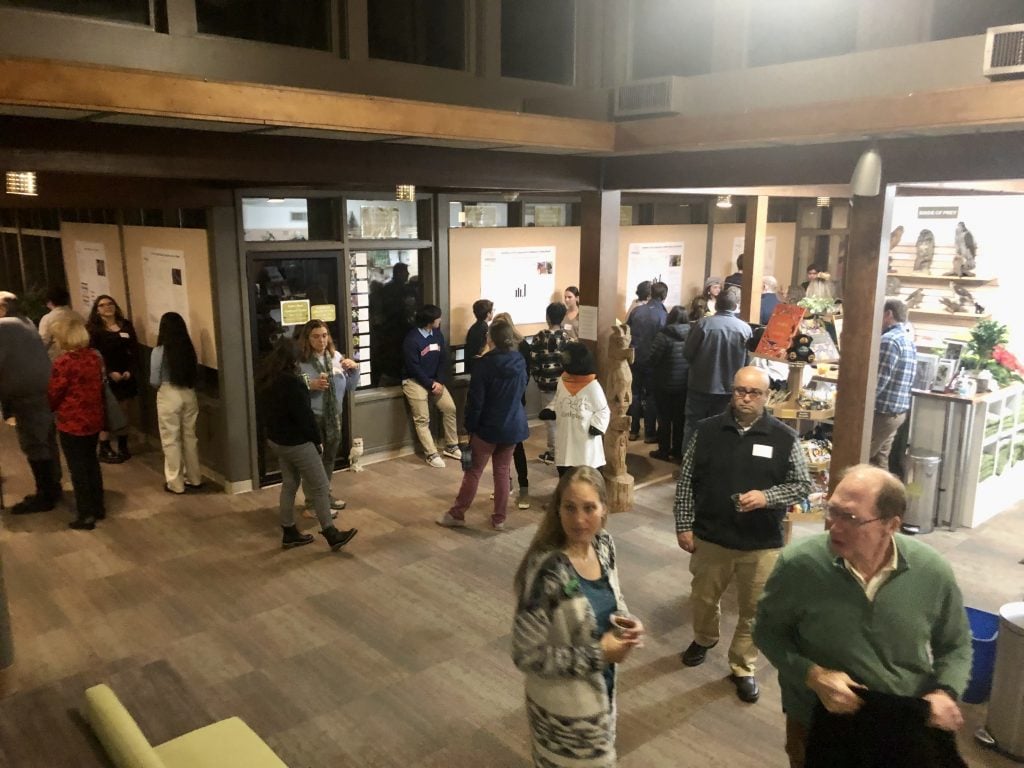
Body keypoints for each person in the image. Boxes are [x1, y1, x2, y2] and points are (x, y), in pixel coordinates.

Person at [754, 464, 972, 768]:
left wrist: (945, 692)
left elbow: (956, 644)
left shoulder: (931, 571)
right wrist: (814, 676)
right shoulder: (799, 564)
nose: (835, 526)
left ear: (891, 525)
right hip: (816, 719)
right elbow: (767, 632)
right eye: (833, 511)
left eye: (851, 518)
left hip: (903, 722)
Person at [673, 366, 811, 704]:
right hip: (711, 535)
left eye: (754, 392)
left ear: (767, 396)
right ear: (732, 392)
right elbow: (686, 480)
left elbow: (802, 485)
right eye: (740, 391)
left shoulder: (784, 438)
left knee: (754, 609)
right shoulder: (706, 431)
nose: (746, 398)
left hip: (761, 543)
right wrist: (684, 524)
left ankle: (743, 666)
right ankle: (704, 639)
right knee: (703, 599)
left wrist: (767, 497)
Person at [512, 467, 645, 768]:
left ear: (604, 509)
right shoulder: (547, 571)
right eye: (570, 508)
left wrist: (626, 622)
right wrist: (600, 654)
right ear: (557, 509)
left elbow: (613, 597)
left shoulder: (603, 545)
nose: (579, 520)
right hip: (563, 717)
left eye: (589, 508)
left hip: (601, 696)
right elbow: (525, 655)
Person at [256, 339, 357, 552]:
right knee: (320, 486)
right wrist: (317, 440)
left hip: (277, 440)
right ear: (293, 360)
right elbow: (305, 417)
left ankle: (289, 531)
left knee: (289, 484)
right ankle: (331, 533)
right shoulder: (293, 383)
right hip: (297, 442)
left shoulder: (267, 378)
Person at [437, 320, 528, 532]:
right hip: (513, 424)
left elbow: (476, 401)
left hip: (488, 427)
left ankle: (457, 514)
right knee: (502, 472)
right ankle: (499, 519)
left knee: (474, 471)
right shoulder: (519, 360)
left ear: (490, 339)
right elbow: (521, 389)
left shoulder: (484, 364)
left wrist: (470, 427)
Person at [0, 293, 63, 514]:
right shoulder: (25, 321)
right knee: (47, 440)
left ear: (2, 309)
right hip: (43, 391)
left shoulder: (5, 326)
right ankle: (53, 487)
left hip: (27, 395)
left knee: (35, 444)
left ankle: (45, 496)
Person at [48, 315, 106, 530]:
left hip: (72, 421)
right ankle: (98, 506)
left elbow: (54, 393)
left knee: (77, 468)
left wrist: (49, 407)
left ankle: (86, 514)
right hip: (93, 417)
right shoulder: (93, 357)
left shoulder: (64, 362)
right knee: (91, 463)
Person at [297, 320, 359, 514]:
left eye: (324, 335)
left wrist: (354, 369)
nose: (321, 340)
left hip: (334, 416)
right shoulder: (301, 361)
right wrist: (310, 384)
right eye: (315, 336)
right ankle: (311, 502)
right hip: (313, 416)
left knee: (329, 458)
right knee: (313, 462)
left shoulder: (336, 357)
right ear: (307, 339)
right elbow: (294, 382)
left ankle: (324, 495)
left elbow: (350, 386)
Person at [682, 287, 751, 448]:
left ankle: (690, 461)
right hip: (729, 388)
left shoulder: (702, 325)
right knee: (723, 428)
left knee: (693, 426)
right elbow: (747, 362)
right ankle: (716, 462)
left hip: (700, 384)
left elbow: (687, 353)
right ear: (735, 306)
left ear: (717, 305)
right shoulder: (745, 329)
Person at [401, 304, 460, 468]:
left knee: (450, 408)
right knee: (422, 418)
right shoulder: (412, 339)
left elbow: (443, 359)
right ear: (429, 321)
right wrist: (430, 383)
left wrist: (439, 381)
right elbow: (413, 367)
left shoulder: (437, 334)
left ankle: (451, 445)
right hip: (414, 381)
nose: (440, 320)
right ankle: (431, 453)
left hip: (435, 381)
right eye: (438, 318)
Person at [539, 342, 610, 477]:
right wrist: (551, 409)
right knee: (566, 472)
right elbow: (559, 398)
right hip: (566, 435)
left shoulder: (592, 386)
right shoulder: (563, 380)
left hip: (584, 437)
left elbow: (603, 410)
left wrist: (597, 426)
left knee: (586, 474)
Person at [150, 312, 202, 494]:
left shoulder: (159, 352)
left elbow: (154, 380)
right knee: (190, 437)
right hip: (189, 393)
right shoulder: (188, 349)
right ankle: (195, 478)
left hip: (168, 393)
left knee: (171, 439)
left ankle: (176, 483)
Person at [87, 294, 138, 463]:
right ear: (97, 310)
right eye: (102, 305)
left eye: (110, 304)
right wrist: (109, 372)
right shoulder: (94, 329)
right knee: (106, 411)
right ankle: (104, 447)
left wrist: (130, 370)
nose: (107, 307)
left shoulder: (126, 325)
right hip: (105, 376)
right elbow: (94, 355)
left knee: (124, 410)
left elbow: (134, 350)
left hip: (126, 375)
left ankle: (123, 446)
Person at [491, 311, 532, 510]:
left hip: (514, 403)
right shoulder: (495, 351)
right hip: (504, 403)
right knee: (501, 447)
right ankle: (506, 485)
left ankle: (523, 488)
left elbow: (526, 375)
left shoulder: (521, 347)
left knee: (516, 446)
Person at [870, 298, 916, 468]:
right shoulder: (907, 340)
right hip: (896, 413)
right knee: (879, 462)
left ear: (888, 314)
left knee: (857, 456)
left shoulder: (888, 340)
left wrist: (858, 407)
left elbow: (877, 381)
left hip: (882, 413)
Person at [647, 304, 691, 461]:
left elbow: (653, 358)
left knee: (664, 418)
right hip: (684, 383)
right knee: (680, 419)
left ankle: (663, 450)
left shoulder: (663, 335)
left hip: (664, 382)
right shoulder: (692, 334)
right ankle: (677, 451)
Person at [626, 280, 667, 443]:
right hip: (653, 361)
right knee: (651, 396)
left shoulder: (637, 311)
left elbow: (626, 331)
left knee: (634, 394)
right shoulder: (663, 315)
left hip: (635, 358)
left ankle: (633, 430)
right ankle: (650, 433)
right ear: (664, 296)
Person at [530, 302, 571, 465]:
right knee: (563, 419)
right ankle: (564, 451)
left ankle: (554, 453)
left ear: (547, 317)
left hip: (546, 385)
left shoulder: (540, 337)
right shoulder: (567, 337)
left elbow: (534, 362)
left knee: (551, 421)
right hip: (564, 384)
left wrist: (538, 379)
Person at [38, 286, 80, 360]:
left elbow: (43, 343)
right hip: (78, 357)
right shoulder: (77, 316)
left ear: (49, 302)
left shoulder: (47, 319)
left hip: (58, 360)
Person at [464, 298, 493, 376]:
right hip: (480, 365)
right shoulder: (484, 328)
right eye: (492, 311)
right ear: (488, 314)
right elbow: (483, 349)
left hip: (473, 364)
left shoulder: (474, 327)